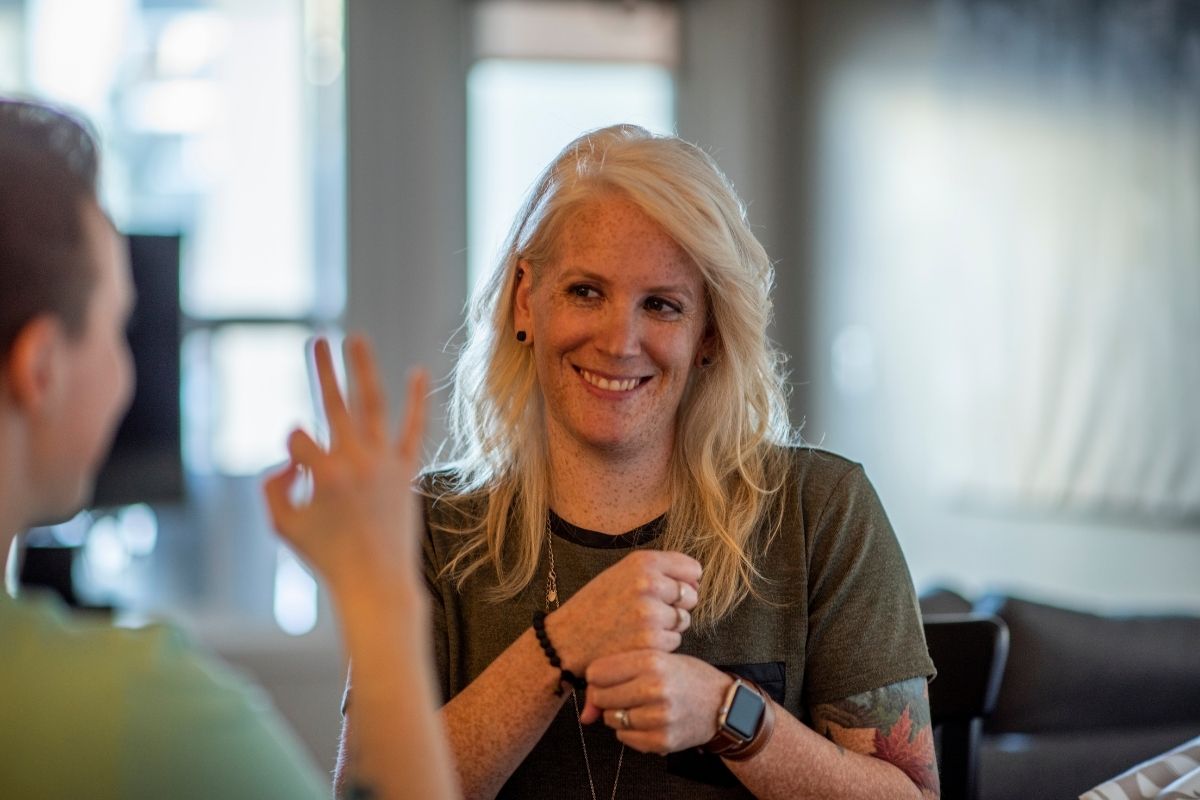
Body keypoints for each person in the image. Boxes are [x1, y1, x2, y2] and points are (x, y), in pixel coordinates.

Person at [334, 123, 940, 799]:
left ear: (708, 332)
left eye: (661, 305)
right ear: (524, 298)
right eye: (585, 292)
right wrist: (560, 646)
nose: (620, 341)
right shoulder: (430, 528)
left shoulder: (822, 509)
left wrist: (729, 713)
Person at [0, 97, 455, 799]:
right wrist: (381, 593)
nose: (127, 373)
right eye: (118, 328)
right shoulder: (140, 709)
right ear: (41, 370)